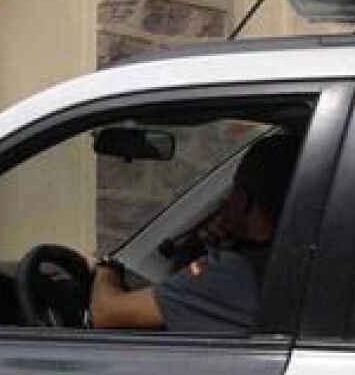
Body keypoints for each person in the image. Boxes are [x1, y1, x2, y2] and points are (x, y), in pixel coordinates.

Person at [90, 133, 301, 334]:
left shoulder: (236, 273)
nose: (226, 204)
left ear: (243, 200)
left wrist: (106, 268)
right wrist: (200, 243)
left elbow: (106, 314)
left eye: (232, 194)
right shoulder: (296, 262)